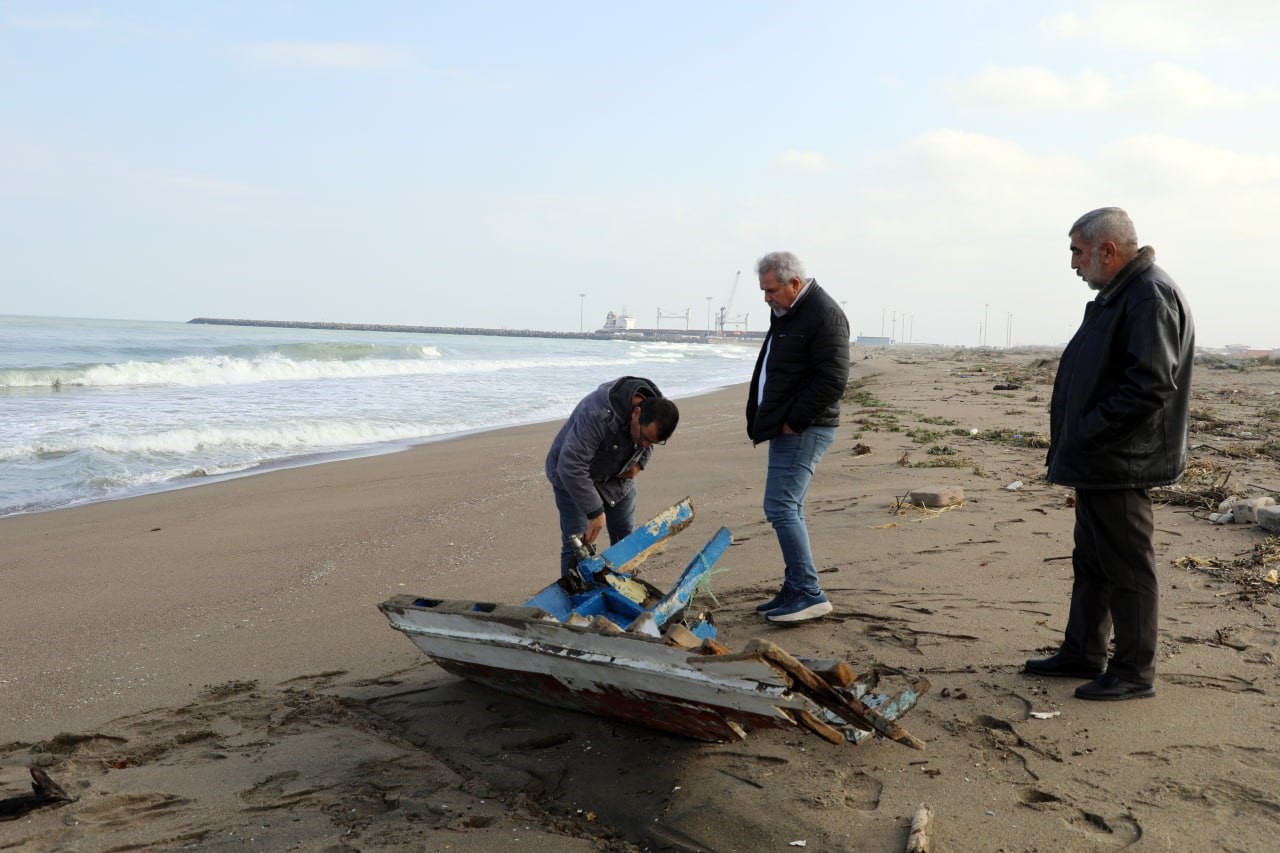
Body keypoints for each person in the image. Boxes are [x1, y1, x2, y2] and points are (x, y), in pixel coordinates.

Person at [1025, 207, 1194, 701]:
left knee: (1128, 567)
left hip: (1120, 460)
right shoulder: (1117, 295)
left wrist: (1089, 432)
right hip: (1098, 458)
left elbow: (1149, 385)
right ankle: (1083, 651)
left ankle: (1134, 672)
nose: (1075, 264)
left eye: (1078, 252)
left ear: (1107, 250)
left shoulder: (1148, 296)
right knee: (1094, 561)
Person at [747, 251, 850, 623]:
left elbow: (834, 379)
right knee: (789, 507)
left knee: (780, 507)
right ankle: (795, 587)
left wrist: (793, 420)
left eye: (771, 290)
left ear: (794, 283)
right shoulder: (788, 312)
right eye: (763, 290)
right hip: (789, 426)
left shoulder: (824, 313)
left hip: (805, 429)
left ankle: (808, 591)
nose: (766, 298)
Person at [546, 376, 679, 578]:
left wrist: (640, 464)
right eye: (644, 438)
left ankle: (623, 589)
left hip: (618, 477)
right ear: (636, 412)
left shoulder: (657, 409)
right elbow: (571, 465)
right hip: (573, 476)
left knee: (625, 540)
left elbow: (649, 442)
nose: (645, 445)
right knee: (578, 544)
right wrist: (595, 511)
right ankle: (573, 598)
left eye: (651, 442)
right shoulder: (597, 413)